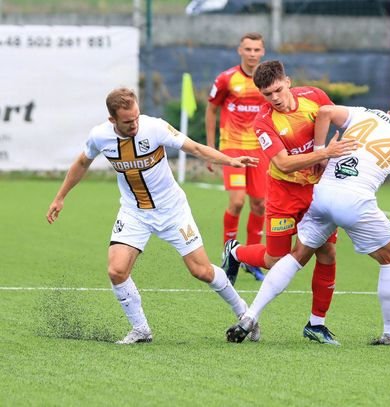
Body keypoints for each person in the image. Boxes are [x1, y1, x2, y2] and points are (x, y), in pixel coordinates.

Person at [226, 95, 390, 345]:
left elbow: (325, 111)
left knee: (297, 255)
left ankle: (250, 316)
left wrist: (320, 152)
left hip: (322, 193)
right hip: (356, 202)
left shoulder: (364, 112)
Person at [46, 88, 260, 345]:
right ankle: (141, 330)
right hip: (134, 212)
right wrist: (60, 197)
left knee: (201, 270)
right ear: (112, 119)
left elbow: (194, 147)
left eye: (136, 116)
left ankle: (245, 313)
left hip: (173, 211)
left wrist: (229, 160)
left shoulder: (155, 127)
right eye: (128, 121)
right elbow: (82, 163)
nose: (134, 124)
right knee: (116, 271)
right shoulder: (99, 136)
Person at [222, 60, 358, 345]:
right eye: (267, 94)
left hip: (317, 193)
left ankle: (316, 324)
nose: (275, 98)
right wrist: (324, 154)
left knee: (327, 252)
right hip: (283, 194)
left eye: (278, 90)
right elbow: (283, 164)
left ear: (288, 81)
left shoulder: (314, 97)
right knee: (275, 260)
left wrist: (335, 150)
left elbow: (340, 120)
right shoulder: (264, 122)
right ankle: (235, 252)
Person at [205, 32, 268, 281]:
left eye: (256, 49)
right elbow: (211, 110)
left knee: (260, 204)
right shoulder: (226, 79)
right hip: (232, 147)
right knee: (238, 202)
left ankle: (252, 259)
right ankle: (228, 253)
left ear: (263, 52)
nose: (252, 54)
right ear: (239, 51)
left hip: (260, 149)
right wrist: (211, 150)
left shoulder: (268, 80)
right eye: (248, 49)